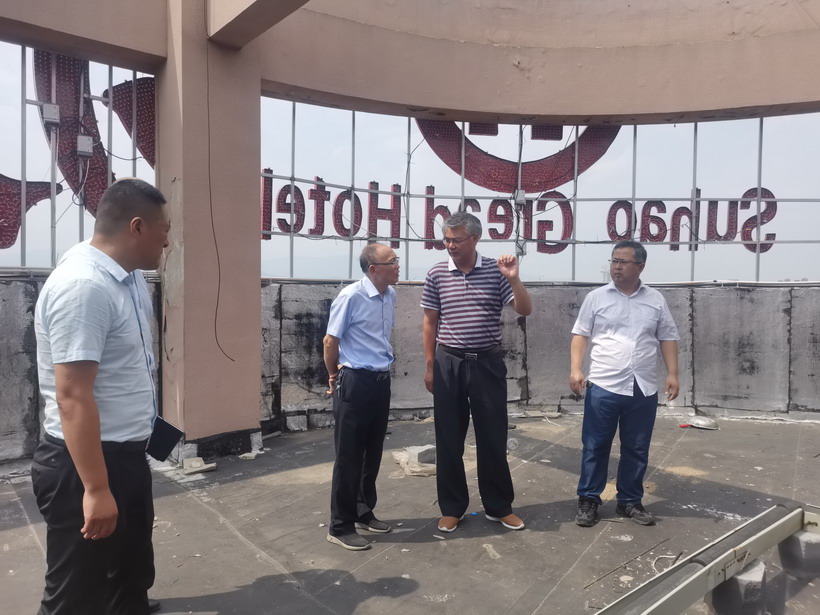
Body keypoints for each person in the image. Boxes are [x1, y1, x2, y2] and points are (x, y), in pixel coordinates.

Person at [31, 178, 169, 614]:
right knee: (76, 594)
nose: (168, 241)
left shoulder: (128, 279)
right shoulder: (84, 286)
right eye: (164, 229)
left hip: (127, 455)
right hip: (86, 463)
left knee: (130, 571)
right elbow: (72, 397)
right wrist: (96, 488)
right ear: (137, 227)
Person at [421, 211, 533, 533]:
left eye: (456, 240)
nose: (450, 245)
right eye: (446, 240)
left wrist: (514, 278)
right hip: (449, 362)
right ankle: (452, 508)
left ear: (474, 239)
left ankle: (499, 507)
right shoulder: (437, 273)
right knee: (448, 438)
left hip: (487, 364)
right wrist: (430, 365)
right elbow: (430, 321)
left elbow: (525, 310)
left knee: (493, 436)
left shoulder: (496, 272)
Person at [569, 240, 680, 527]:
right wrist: (576, 369)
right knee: (595, 445)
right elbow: (581, 334)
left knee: (637, 447)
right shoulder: (596, 297)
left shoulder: (655, 299)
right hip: (604, 384)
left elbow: (667, 337)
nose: (616, 267)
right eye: (614, 261)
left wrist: (673, 373)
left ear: (640, 266)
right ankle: (589, 500)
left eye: (623, 262)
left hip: (643, 386)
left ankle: (629, 501)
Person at [323, 243, 400, 551]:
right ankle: (340, 526)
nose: (397, 265)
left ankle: (363, 510)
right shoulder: (351, 296)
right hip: (354, 380)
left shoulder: (390, 295)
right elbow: (330, 341)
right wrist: (333, 374)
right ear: (374, 269)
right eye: (392, 262)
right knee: (349, 455)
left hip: (380, 380)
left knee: (372, 452)